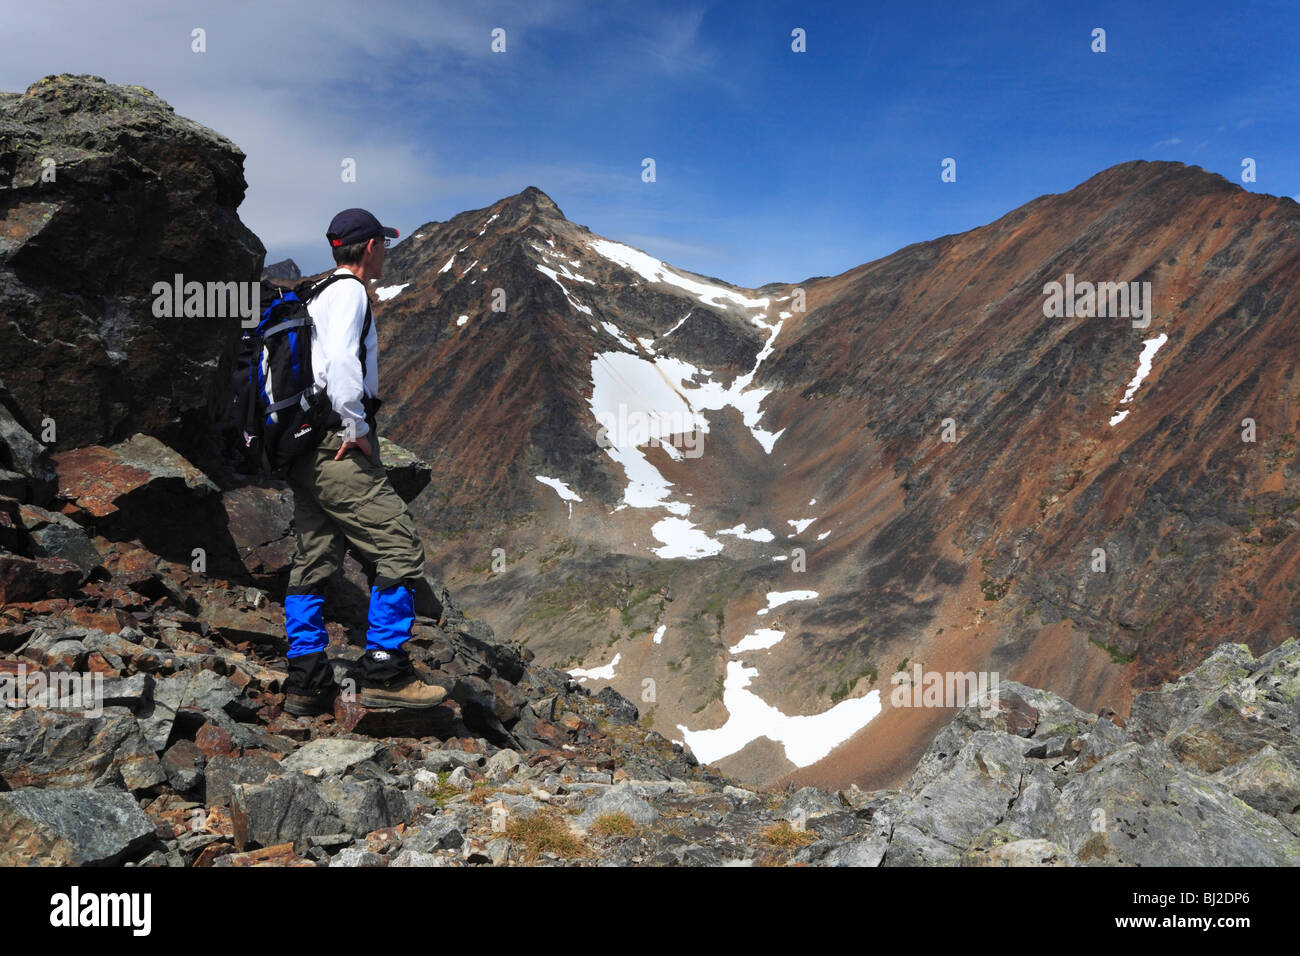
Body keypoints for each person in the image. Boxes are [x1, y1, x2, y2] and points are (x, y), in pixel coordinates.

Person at [280, 208, 446, 715]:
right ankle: (386, 672)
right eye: (384, 243)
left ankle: (305, 682)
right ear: (370, 246)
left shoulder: (314, 291)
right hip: (336, 444)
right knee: (398, 545)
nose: (387, 252)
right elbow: (340, 365)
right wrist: (356, 428)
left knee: (312, 559)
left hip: (303, 449)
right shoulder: (350, 292)